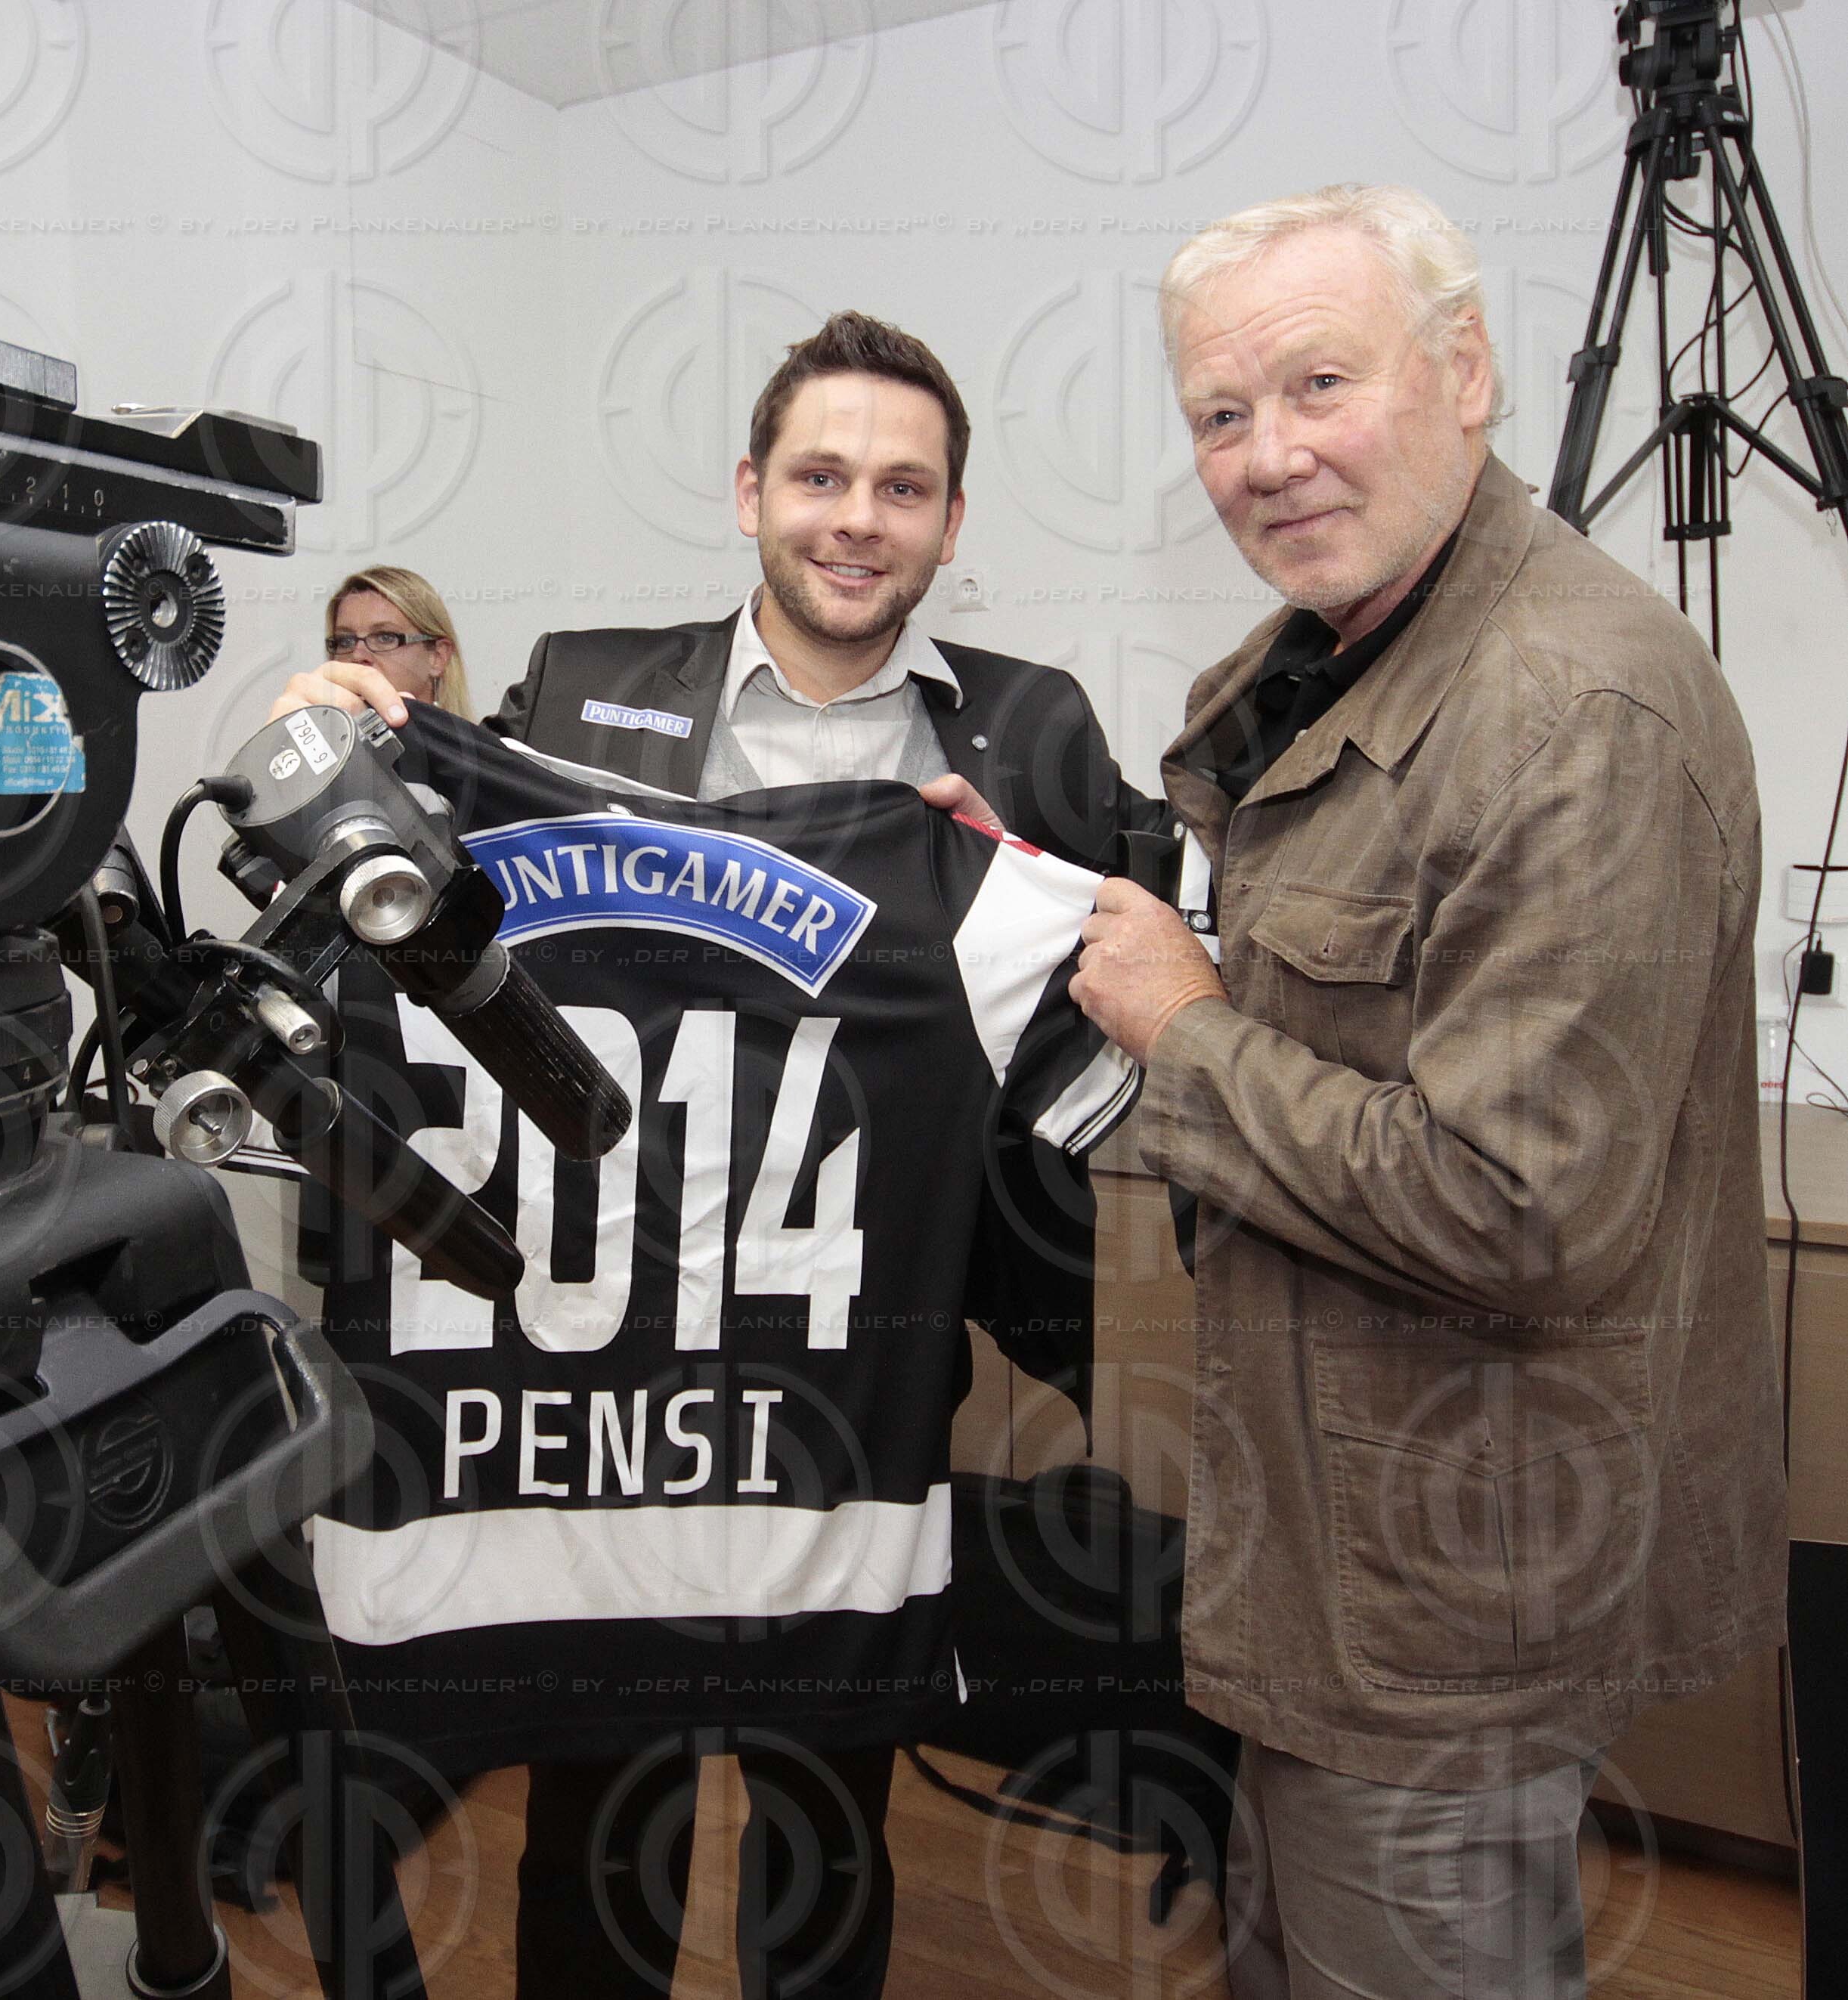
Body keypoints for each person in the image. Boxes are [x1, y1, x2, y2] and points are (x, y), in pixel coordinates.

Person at [274, 311, 1157, 2000]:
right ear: (752, 491)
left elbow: (1122, 971)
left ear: (952, 526)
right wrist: (345, 754)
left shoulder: (1034, 730)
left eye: (905, 488)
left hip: (866, 1333)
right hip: (605, 1336)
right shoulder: (585, 686)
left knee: (833, 1788)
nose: (859, 517)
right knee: (607, 1782)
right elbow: (446, 920)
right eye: (822, 475)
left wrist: (1020, 875)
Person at [1063, 184, 1788, 1998]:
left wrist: (1180, 1027)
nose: (1267, 456)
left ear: (1465, 372)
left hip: (1440, 1589)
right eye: (1219, 416)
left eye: (1319, 385)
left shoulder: (1571, 713)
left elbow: (1518, 1203)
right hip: (1332, 1547)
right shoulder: (1359, 642)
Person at [323, 565, 473, 714]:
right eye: (344, 642)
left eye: (385, 638)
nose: (357, 655)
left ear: (438, 657)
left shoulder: (471, 737)